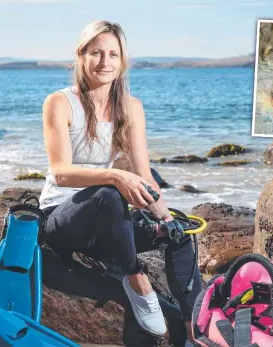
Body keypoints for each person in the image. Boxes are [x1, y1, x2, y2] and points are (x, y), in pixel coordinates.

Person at [39, 20, 201, 342]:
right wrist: (114, 174)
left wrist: (166, 219)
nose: (105, 62)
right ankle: (135, 278)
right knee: (109, 194)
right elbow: (61, 172)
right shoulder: (60, 102)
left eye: (113, 54)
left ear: (123, 60)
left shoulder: (131, 108)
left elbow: (143, 174)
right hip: (63, 216)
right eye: (96, 53)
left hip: (109, 225)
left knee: (179, 236)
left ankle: (194, 326)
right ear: (81, 55)